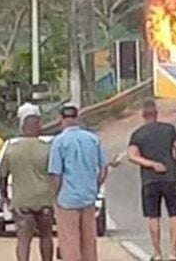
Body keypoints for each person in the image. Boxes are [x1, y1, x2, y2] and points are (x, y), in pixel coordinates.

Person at [48, 103, 108, 261]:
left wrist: (55, 195)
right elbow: (103, 168)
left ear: (61, 119)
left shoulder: (59, 142)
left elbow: (56, 174)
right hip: (88, 197)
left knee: (69, 241)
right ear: (77, 118)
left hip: (66, 199)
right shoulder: (93, 139)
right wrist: (95, 187)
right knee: (89, 240)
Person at [128, 100, 176, 261]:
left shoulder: (137, 134)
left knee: (153, 216)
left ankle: (157, 253)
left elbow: (132, 156)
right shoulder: (169, 129)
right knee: (174, 213)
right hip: (170, 178)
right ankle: (173, 252)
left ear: (143, 115)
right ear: (156, 113)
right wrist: (173, 163)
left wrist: (151, 164)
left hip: (149, 180)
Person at [0, 110, 54, 261]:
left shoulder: (11, 150)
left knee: (23, 239)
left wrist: (4, 197)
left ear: (22, 128)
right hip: (44, 200)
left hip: (22, 202)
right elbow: (55, 174)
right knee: (46, 236)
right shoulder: (48, 149)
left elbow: (3, 176)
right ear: (39, 128)